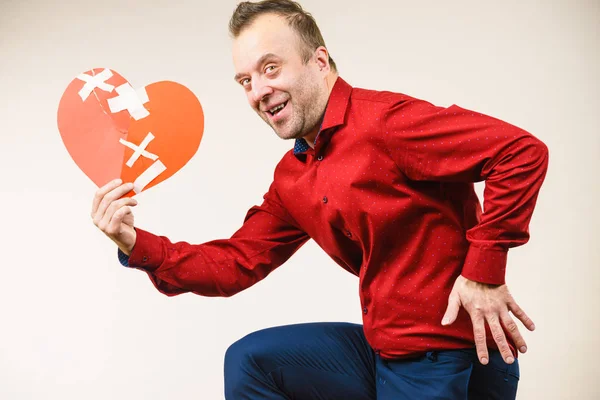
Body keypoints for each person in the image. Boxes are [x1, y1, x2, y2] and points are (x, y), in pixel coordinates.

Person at [91, 0, 549, 398]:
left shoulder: (385, 123)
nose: (258, 91)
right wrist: (134, 242)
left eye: (271, 67)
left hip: (446, 356)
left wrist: (484, 272)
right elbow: (235, 262)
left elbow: (520, 153)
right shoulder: (294, 177)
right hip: (386, 349)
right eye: (244, 80)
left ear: (320, 61)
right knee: (250, 362)